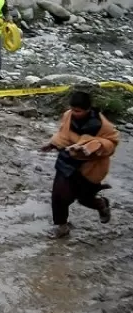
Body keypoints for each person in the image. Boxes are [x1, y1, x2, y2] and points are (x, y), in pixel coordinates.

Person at [42, 89, 119, 239]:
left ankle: (101, 204)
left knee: (84, 198)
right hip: (66, 162)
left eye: (78, 111)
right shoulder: (68, 115)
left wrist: (91, 147)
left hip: (89, 167)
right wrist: (52, 144)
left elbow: (112, 143)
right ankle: (62, 227)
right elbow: (62, 134)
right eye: (73, 109)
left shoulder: (102, 125)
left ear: (88, 109)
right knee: (59, 195)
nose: (74, 113)